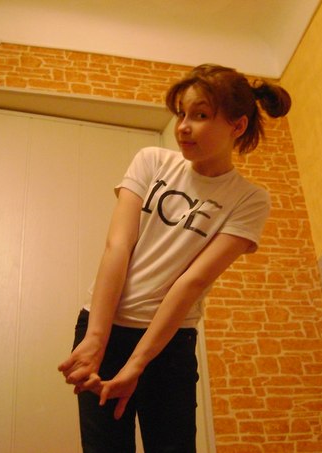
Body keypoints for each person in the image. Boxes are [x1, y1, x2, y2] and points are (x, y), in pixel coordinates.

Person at [58, 63, 291, 453]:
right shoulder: (152, 161)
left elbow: (192, 282)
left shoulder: (249, 199)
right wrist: (96, 338)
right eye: (181, 114)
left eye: (200, 115)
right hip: (101, 327)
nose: (183, 126)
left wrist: (138, 363)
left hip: (168, 345)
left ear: (237, 126)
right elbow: (118, 245)